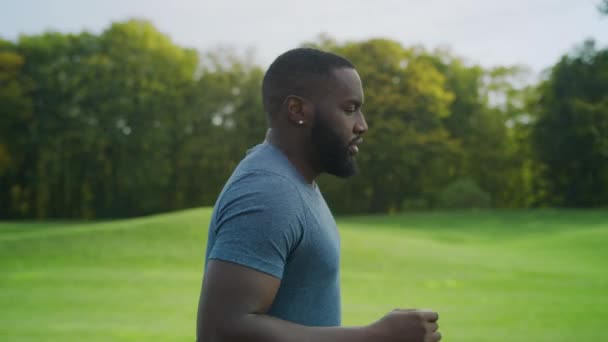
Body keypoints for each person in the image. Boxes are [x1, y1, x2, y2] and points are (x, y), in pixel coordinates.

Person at [196, 47, 441, 342]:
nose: (362, 125)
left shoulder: (294, 181)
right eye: (349, 109)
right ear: (297, 110)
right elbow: (222, 330)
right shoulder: (269, 191)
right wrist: (375, 337)